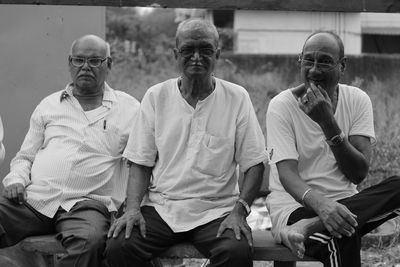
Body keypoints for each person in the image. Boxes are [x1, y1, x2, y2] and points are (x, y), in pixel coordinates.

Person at [105, 19, 268, 267]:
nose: (196, 57)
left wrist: (240, 211)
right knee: (120, 246)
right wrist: (132, 209)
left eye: (205, 50)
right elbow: (140, 161)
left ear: (218, 54)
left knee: (235, 251)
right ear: (175, 54)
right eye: (187, 50)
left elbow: (254, 163)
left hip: (216, 209)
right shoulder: (156, 96)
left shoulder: (236, 97)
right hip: (162, 207)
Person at [0, 34, 140, 267]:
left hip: (87, 205)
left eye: (95, 61)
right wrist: (16, 179)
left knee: (90, 242)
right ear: (69, 63)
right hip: (33, 200)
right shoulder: (49, 105)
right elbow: (25, 157)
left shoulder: (129, 109)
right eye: (79, 60)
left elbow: (142, 160)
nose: (85, 67)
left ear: (109, 64)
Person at [265, 31, 400, 267]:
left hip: (347, 205)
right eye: (308, 60)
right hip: (294, 207)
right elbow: (287, 175)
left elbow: (357, 173)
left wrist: (328, 122)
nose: (314, 70)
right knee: (340, 237)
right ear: (300, 61)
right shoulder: (281, 106)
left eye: (325, 61)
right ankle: (312, 222)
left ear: (343, 66)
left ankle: (311, 226)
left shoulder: (357, 99)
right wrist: (322, 206)